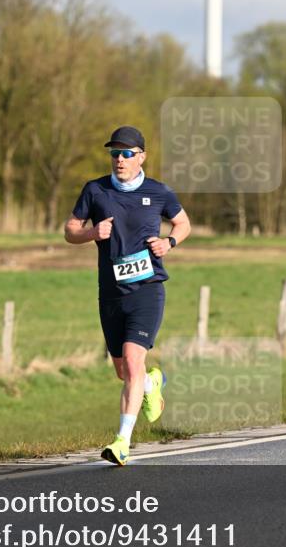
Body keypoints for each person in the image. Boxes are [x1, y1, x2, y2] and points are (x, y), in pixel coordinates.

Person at [65, 126, 191, 465]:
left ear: (142, 157)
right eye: (114, 153)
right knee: (123, 370)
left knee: (133, 362)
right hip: (110, 294)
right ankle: (153, 382)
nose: (119, 159)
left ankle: (122, 441)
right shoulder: (95, 190)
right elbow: (69, 230)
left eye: (126, 153)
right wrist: (92, 232)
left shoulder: (159, 192)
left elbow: (183, 224)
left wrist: (170, 243)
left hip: (147, 291)